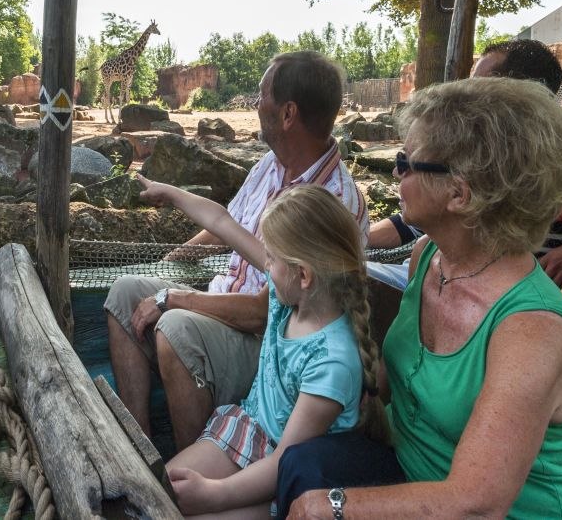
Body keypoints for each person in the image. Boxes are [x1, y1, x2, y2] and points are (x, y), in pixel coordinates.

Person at [279, 77, 562, 520]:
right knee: (302, 462)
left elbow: (476, 504)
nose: (396, 172)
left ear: (459, 193)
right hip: (415, 472)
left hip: (505, 512)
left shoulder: (532, 332)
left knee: (313, 492)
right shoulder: (428, 256)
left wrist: (332, 506)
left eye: (406, 163)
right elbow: (391, 382)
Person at [105, 51, 368, 451]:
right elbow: (228, 223)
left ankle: (192, 467)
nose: (256, 103)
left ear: (288, 113)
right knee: (125, 292)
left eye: (262, 95)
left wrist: (176, 298)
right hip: (220, 299)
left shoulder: (331, 204)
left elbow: (266, 312)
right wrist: (176, 255)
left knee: (176, 329)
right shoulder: (272, 164)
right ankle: (139, 450)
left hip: (270, 344)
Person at [136, 178, 387, 519]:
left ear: (303, 274)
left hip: (281, 475)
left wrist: (213, 494)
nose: (265, 265)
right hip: (247, 431)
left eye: (270, 258)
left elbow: (286, 458)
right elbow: (222, 223)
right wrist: (171, 194)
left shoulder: (332, 361)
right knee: (156, 498)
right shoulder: (290, 297)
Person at [367, 38, 562, 286]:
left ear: (524, 98)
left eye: (479, 87)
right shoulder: (464, 163)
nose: (464, 94)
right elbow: (412, 220)